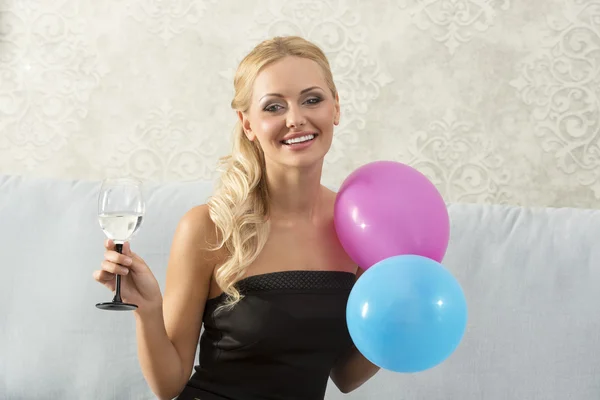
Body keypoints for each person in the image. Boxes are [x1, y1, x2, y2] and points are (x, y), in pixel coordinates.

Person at [93, 35, 380, 400]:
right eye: (273, 107)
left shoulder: (361, 227)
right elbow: (168, 386)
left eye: (312, 100)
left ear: (335, 108)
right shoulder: (209, 227)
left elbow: (345, 375)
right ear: (247, 124)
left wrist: (403, 323)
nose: (296, 119)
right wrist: (148, 309)